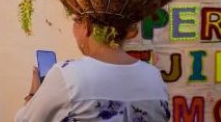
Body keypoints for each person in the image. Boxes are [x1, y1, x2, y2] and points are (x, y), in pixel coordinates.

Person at [14, 16, 170, 121]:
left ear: (86, 27)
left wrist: (33, 94)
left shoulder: (68, 76)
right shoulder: (153, 77)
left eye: (75, 20)